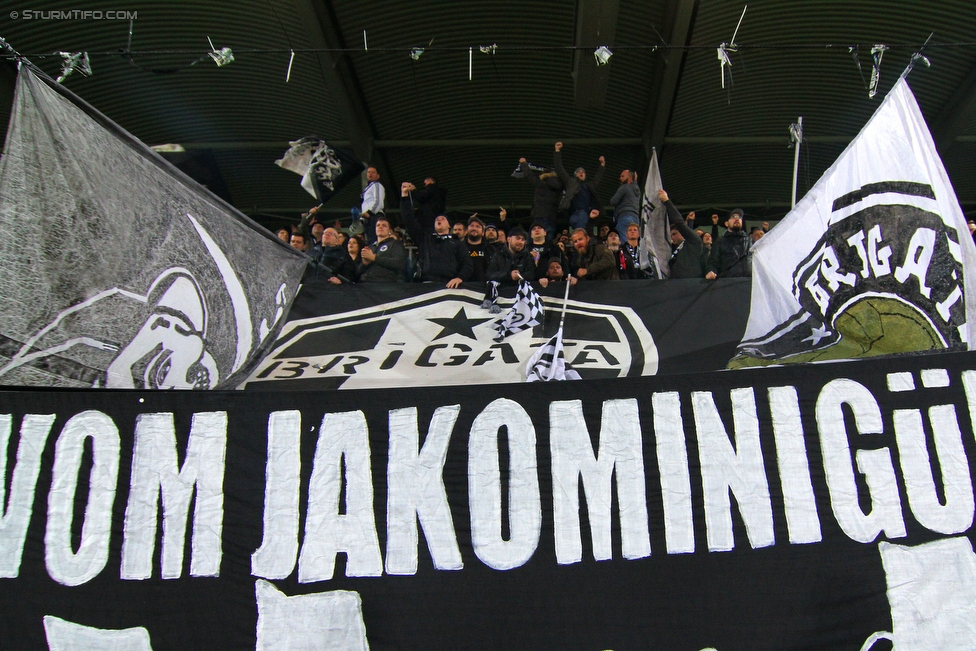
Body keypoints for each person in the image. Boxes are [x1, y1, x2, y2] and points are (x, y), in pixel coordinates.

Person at [400, 182, 472, 288]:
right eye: (437, 219)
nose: (439, 219)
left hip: (449, 286)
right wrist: (405, 196)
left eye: (443, 219)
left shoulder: (458, 244)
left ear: (449, 226)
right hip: (425, 285)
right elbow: (409, 220)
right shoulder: (425, 239)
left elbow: (467, 264)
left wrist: (460, 277)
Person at [553, 141, 605, 230]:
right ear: (575, 175)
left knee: (580, 233)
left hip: (583, 214)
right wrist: (557, 151)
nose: (581, 173)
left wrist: (602, 165)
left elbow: (597, 179)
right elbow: (559, 169)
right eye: (578, 172)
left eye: (583, 172)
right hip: (572, 215)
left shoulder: (589, 186)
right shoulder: (570, 182)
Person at [659, 189, 703, 279]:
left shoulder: (695, 241)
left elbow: (679, 223)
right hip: (676, 286)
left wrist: (667, 201)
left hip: (691, 285)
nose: (672, 237)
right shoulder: (677, 249)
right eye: (671, 235)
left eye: (674, 234)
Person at [518, 157, 562, 240]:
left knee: (532, 243)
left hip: (539, 216)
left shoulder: (540, 183)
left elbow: (529, 175)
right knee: (548, 243)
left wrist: (523, 163)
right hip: (551, 218)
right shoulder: (558, 186)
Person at [706, 208, 752, 279]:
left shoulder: (750, 241)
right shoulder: (720, 241)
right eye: (733, 217)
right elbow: (713, 262)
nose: (737, 219)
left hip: (749, 283)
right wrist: (711, 271)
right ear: (726, 223)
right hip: (728, 283)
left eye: (739, 217)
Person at [359, 215, 405, 282]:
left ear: (390, 230)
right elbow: (357, 272)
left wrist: (374, 258)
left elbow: (399, 263)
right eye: (378, 225)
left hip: (384, 283)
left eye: (384, 225)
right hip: (365, 283)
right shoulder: (370, 247)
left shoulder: (395, 244)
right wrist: (364, 264)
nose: (380, 227)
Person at [609, 169, 641, 239]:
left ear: (629, 178)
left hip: (624, 217)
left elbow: (613, 201)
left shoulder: (624, 187)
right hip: (636, 219)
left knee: (623, 240)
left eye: (622, 176)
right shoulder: (637, 191)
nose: (620, 178)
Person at [360, 166, 386, 245]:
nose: (370, 174)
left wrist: (369, 213)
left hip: (374, 216)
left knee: (374, 240)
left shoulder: (377, 185)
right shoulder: (368, 188)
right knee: (370, 241)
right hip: (368, 218)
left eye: (373, 172)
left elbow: (378, 201)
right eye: (368, 172)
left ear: (378, 176)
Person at [465, 215, 494, 282]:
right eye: (472, 226)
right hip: (463, 288)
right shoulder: (458, 248)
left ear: (483, 233)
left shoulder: (491, 250)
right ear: (466, 230)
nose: (474, 228)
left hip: (483, 288)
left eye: (478, 227)